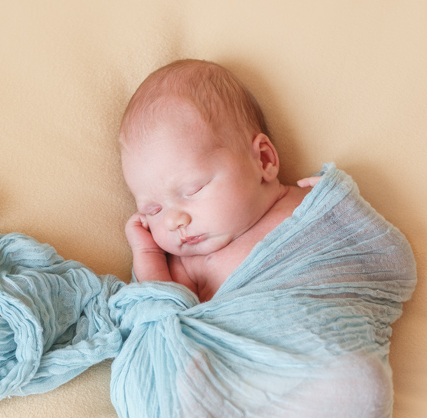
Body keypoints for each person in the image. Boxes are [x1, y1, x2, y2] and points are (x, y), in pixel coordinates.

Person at [121, 59, 320, 302]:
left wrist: (329, 196)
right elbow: (164, 311)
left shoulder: (312, 201)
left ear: (264, 160)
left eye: (194, 189)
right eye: (153, 210)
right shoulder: (188, 264)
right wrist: (148, 252)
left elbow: (360, 240)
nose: (173, 221)